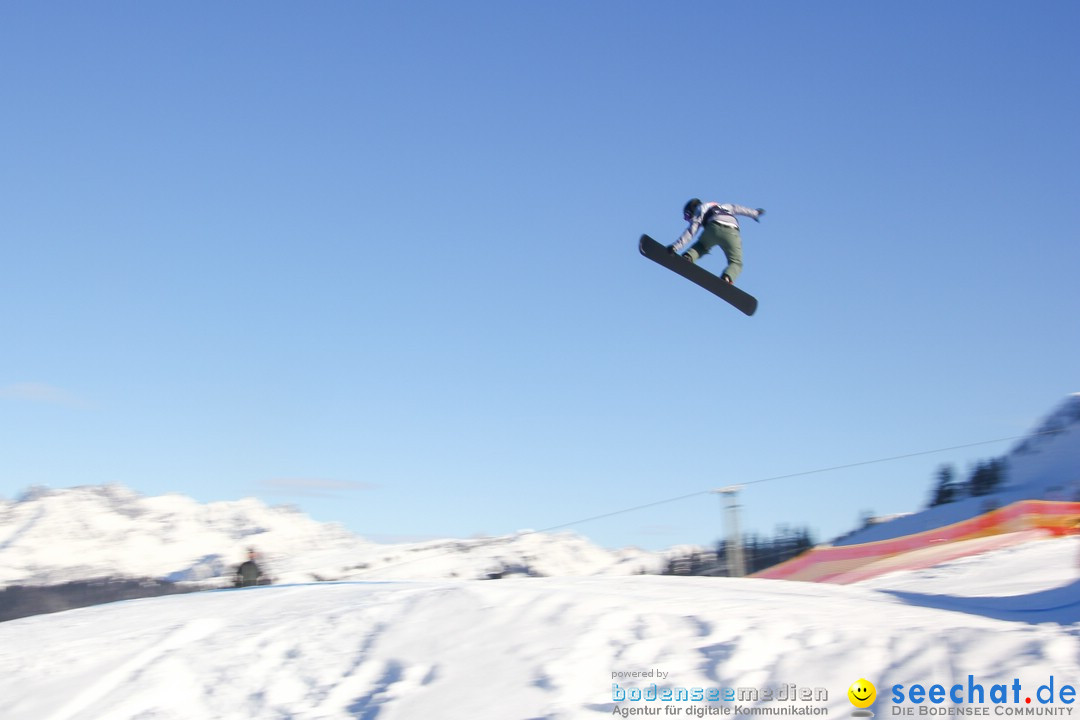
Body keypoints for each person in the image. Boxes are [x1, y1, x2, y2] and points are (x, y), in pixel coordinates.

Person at [668, 198, 765, 284]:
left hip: (713, 228)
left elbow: (691, 231)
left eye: (688, 216)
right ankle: (728, 277)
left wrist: (675, 246)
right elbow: (738, 208)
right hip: (733, 232)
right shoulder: (724, 206)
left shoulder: (700, 208)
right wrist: (754, 213)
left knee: (701, 245)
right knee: (736, 262)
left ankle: (689, 256)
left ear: (692, 209)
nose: (688, 219)